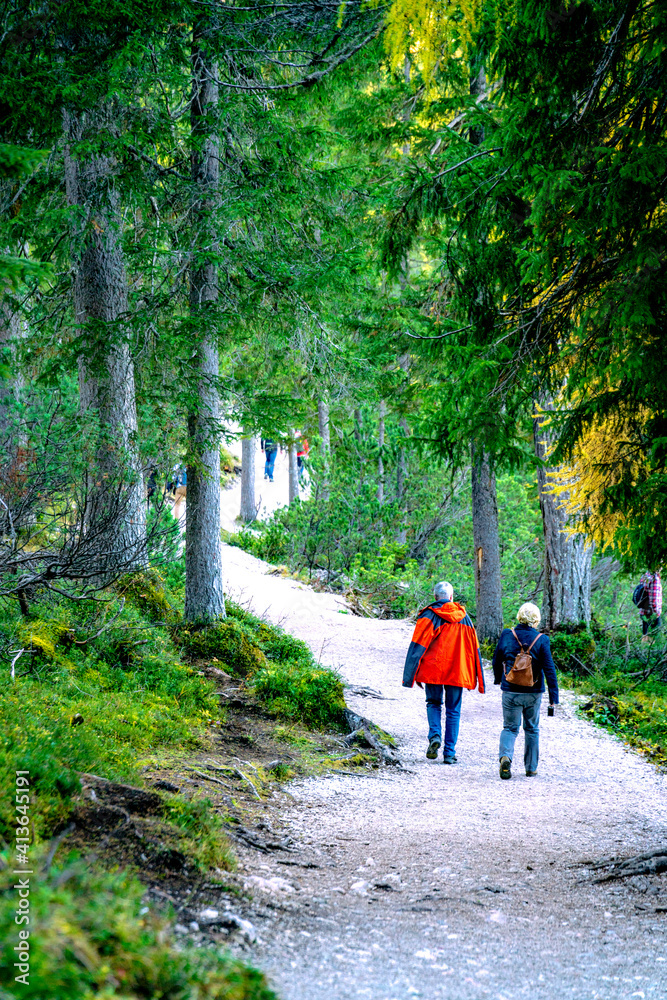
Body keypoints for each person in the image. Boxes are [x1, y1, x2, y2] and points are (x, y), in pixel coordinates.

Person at [402, 581, 485, 764]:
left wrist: (412, 674)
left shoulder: (429, 616)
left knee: (433, 703)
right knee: (453, 710)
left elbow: (418, 646)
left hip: (434, 669)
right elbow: (474, 650)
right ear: (451, 597)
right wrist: (477, 678)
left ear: (435, 597)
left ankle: (435, 737)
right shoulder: (465, 618)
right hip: (457, 671)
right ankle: (449, 753)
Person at [492, 601, 559, 780]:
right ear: (536, 620)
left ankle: (506, 757)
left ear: (519, 617)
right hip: (533, 692)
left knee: (510, 728)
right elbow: (550, 669)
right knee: (532, 729)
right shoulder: (542, 639)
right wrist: (554, 697)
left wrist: (499, 680)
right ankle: (531, 768)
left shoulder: (507, 634)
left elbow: (496, 659)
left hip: (511, 691)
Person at [639, 570, 662, 640]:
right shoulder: (655, 579)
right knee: (654, 641)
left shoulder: (645, 575)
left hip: (644, 612)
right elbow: (653, 599)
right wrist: (657, 613)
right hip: (652, 614)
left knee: (645, 637)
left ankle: (643, 649)